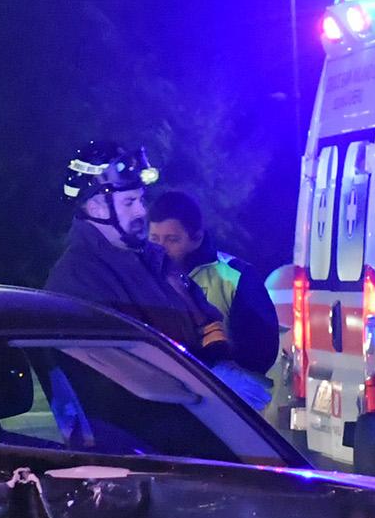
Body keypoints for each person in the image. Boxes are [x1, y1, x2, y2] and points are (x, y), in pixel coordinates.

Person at [44, 142, 234, 366]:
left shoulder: (154, 259)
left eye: (141, 199)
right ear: (96, 208)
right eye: (129, 202)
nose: (142, 211)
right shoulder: (77, 280)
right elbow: (122, 371)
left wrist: (219, 362)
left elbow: (204, 320)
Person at [147, 189, 280, 390]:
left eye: (172, 240)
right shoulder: (140, 275)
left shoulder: (235, 276)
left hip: (222, 397)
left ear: (197, 238)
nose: (161, 248)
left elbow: (261, 353)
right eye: (154, 239)